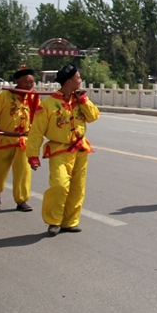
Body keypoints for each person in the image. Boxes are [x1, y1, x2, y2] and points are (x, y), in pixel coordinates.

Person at [26, 64, 100, 236]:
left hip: (80, 149)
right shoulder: (48, 104)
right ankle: (53, 221)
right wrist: (32, 155)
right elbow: (36, 132)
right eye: (78, 78)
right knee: (59, 185)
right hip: (59, 150)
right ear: (69, 81)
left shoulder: (80, 99)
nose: (80, 80)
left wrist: (85, 101)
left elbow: (94, 117)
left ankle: (70, 222)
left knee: (77, 187)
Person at [0, 66, 40, 210]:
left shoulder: (34, 97)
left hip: (24, 141)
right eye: (26, 82)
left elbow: (42, 117)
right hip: (5, 138)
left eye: (32, 82)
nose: (29, 85)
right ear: (17, 81)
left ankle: (21, 200)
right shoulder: (3, 96)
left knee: (23, 171)